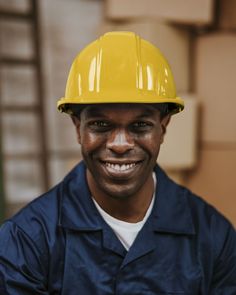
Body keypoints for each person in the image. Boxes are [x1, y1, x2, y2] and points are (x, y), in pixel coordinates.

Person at [0, 31, 235, 294]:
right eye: (101, 125)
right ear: (78, 128)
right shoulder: (27, 241)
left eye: (140, 125)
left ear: (163, 127)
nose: (120, 144)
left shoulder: (214, 238)